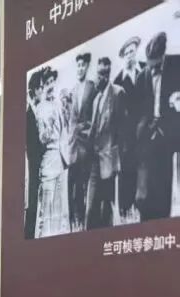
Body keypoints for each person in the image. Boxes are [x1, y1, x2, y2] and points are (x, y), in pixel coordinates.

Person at [135, 32, 174, 222]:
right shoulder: (142, 77)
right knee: (145, 193)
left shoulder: (176, 68)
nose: (152, 69)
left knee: (164, 188)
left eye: (156, 65)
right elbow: (138, 111)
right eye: (149, 64)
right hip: (146, 139)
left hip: (167, 139)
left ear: (163, 56)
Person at [87, 56, 126, 229]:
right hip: (95, 160)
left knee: (107, 208)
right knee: (91, 208)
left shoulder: (117, 93)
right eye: (97, 73)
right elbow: (93, 129)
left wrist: (116, 158)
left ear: (107, 75)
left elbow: (122, 128)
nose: (98, 78)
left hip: (109, 159)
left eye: (101, 74)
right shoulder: (96, 99)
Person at [36, 68, 71, 238]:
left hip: (60, 158)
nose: (50, 86)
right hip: (48, 158)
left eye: (52, 82)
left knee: (59, 203)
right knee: (47, 202)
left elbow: (65, 131)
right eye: (47, 83)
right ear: (43, 86)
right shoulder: (40, 108)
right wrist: (49, 126)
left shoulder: (58, 105)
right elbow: (41, 139)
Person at [68, 52, 98, 231]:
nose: (80, 68)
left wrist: (85, 128)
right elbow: (72, 119)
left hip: (87, 141)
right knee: (77, 183)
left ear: (87, 66)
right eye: (78, 65)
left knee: (88, 181)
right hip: (75, 145)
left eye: (82, 65)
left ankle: (88, 219)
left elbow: (94, 115)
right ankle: (78, 220)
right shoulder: (73, 90)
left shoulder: (92, 87)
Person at [115, 36, 145, 222]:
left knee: (144, 171)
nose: (129, 56)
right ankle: (126, 211)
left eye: (132, 52)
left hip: (145, 133)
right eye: (126, 53)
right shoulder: (118, 81)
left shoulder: (145, 71)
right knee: (127, 172)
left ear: (136, 52)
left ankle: (142, 208)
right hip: (127, 138)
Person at [26, 69, 47, 238]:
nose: (43, 90)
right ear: (33, 90)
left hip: (34, 165)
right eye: (40, 87)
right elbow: (31, 144)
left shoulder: (34, 111)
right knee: (31, 202)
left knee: (34, 201)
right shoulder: (28, 112)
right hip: (31, 165)